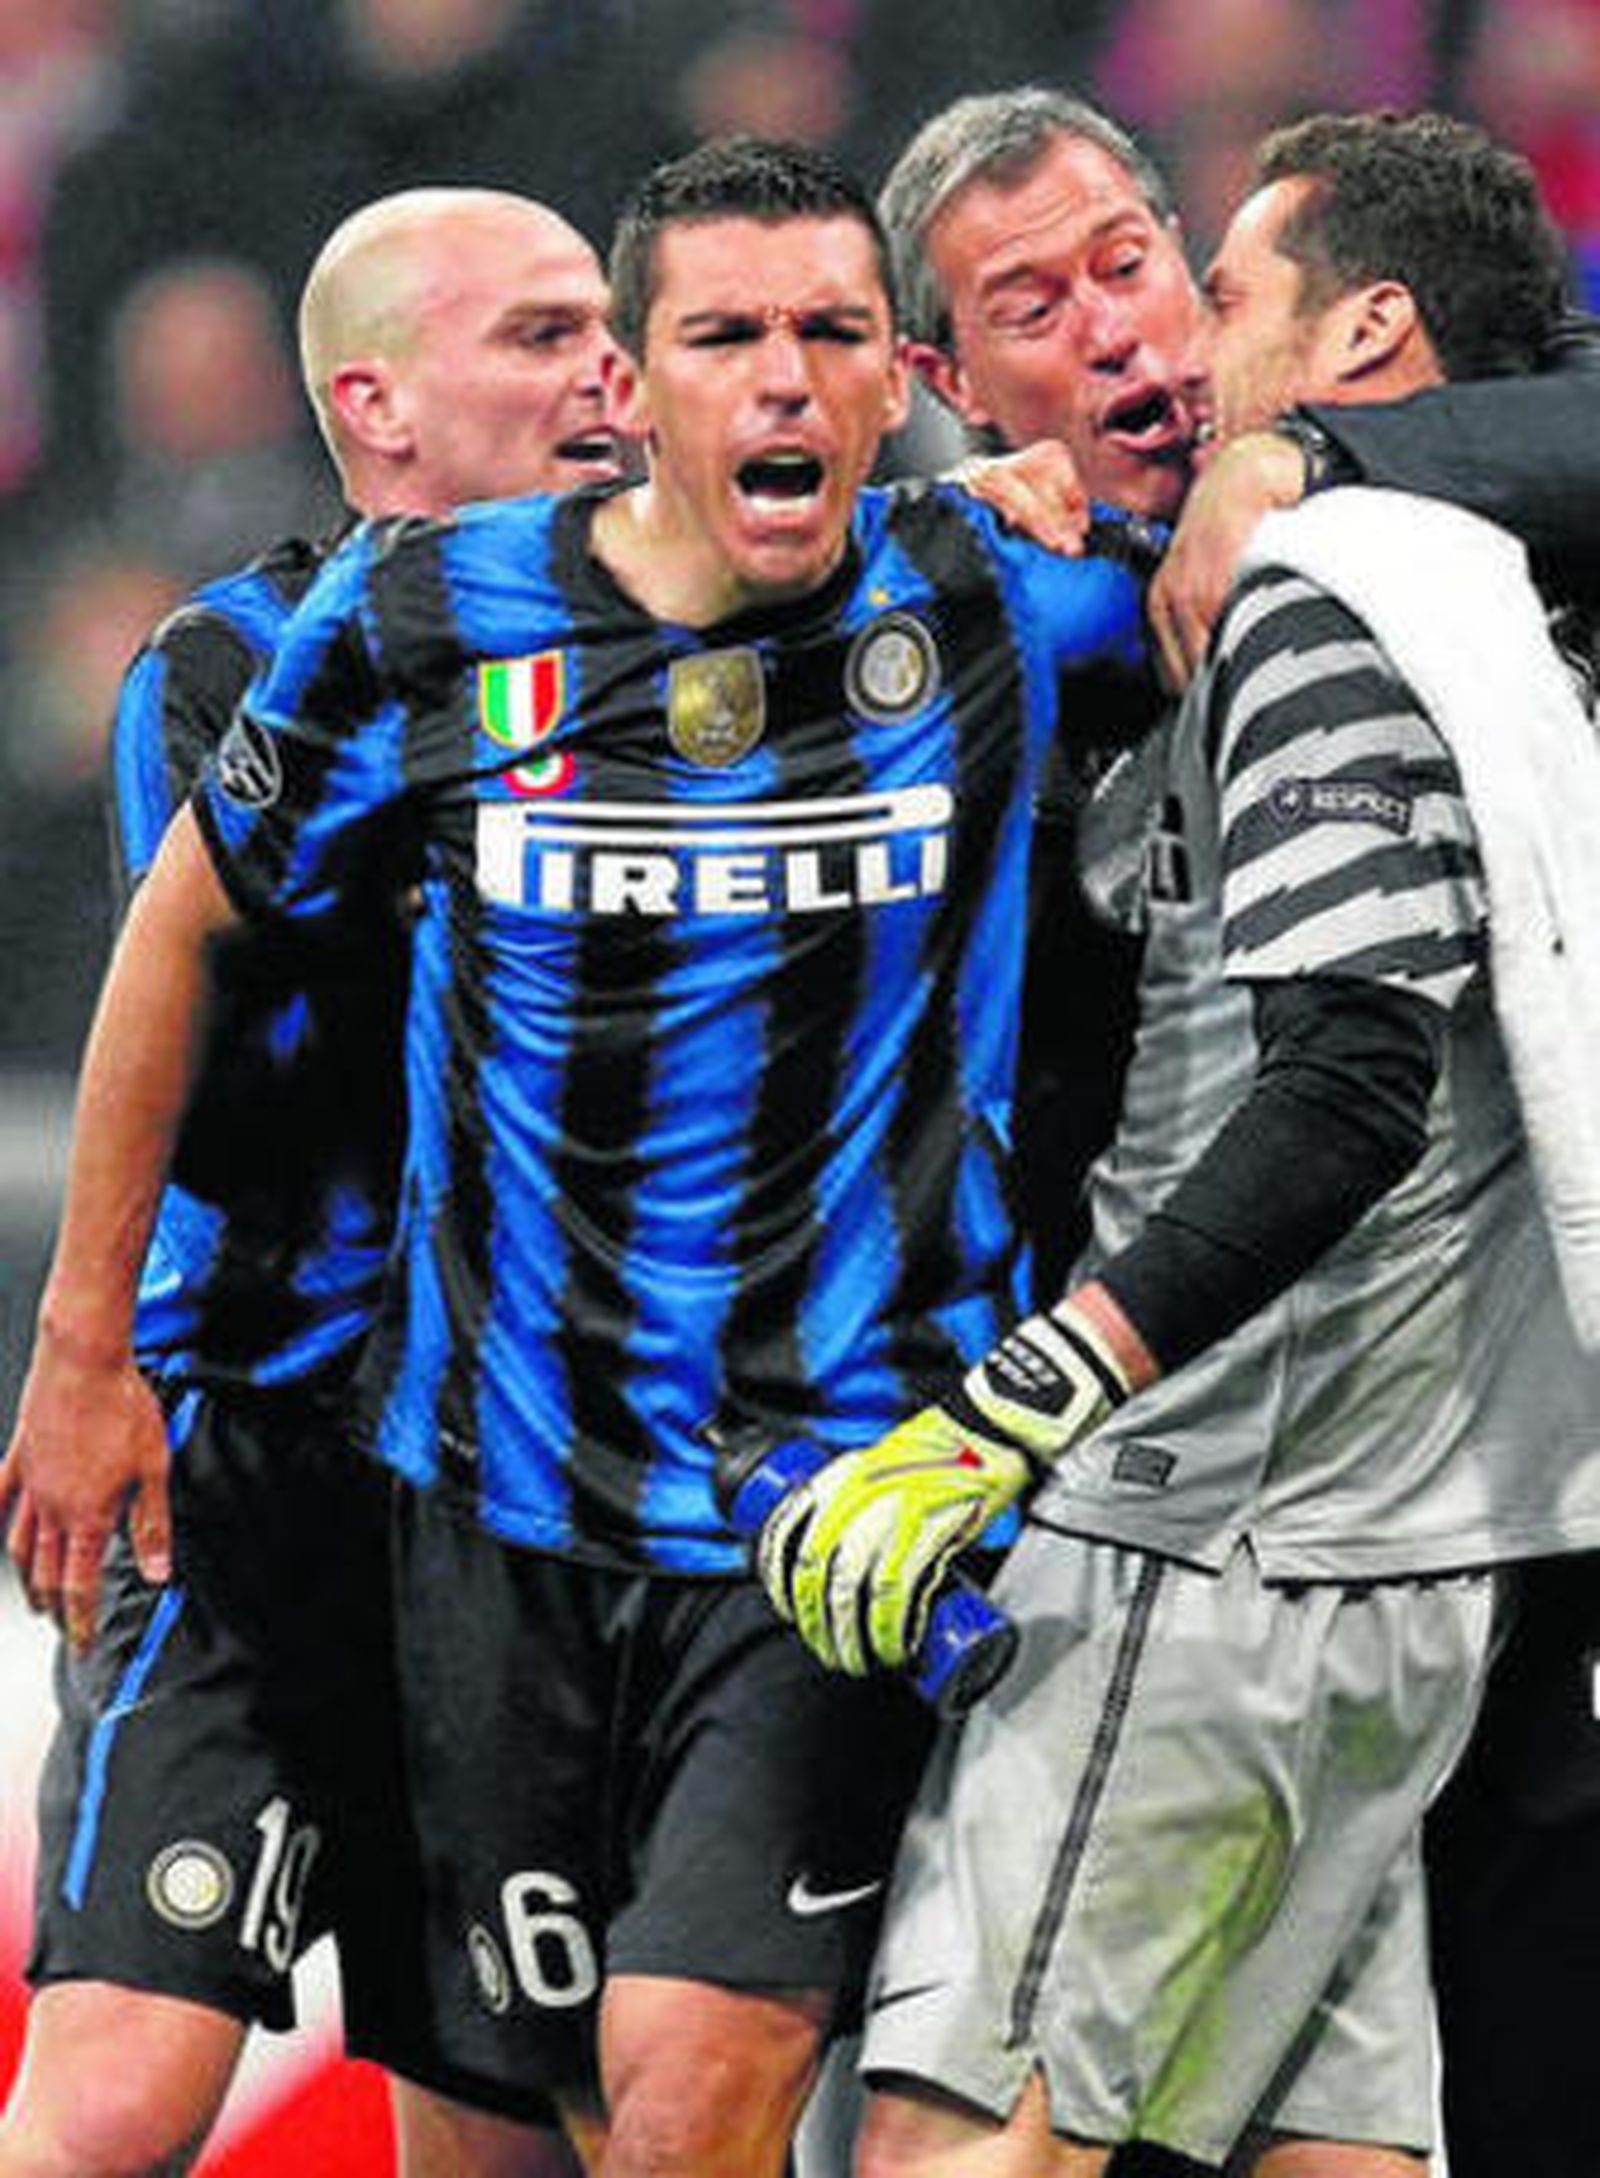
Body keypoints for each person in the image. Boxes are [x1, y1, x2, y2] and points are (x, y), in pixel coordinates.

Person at [0, 134, 1169, 2178]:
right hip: (464, 1510)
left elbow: (1300, 516)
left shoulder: (999, 596)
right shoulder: (398, 629)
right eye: (719, 336)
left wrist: (1218, 478)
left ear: (894, 376)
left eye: (825, 334)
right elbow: (186, 933)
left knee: (683, 2094)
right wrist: (84, 1341)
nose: (777, 381)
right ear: (643, 378)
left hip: (825, 1511)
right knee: (475, 2125)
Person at [761, 109, 1600, 2173]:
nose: (1144, 341)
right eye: (1031, 307)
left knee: (956, 2133)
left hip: (1200, 1497)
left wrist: (1304, 456)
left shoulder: (1327, 573)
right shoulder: (995, 603)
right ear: (943, 388)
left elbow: (1330, 1086)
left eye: (1159, 270)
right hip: (1391, 1541)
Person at [0, 183, 627, 2178]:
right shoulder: (233, 670)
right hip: (255, 1466)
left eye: (606, 326)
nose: (602, 368)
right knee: (112, 2094)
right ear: (379, 404)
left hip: (535, 1497)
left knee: (503, 2111)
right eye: (535, 335)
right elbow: (221, 1073)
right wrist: (86, 1348)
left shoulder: (708, 668)